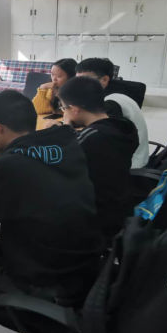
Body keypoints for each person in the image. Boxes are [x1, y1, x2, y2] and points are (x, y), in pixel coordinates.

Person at [0, 90, 103, 333]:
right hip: (86, 258)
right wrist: (8, 154)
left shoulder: (10, 166)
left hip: (50, 274)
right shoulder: (66, 142)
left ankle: (50, 326)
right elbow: (34, 170)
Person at [58, 76, 140, 240]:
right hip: (117, 205)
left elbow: (60, 159)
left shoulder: (92, 138)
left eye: (64, 108)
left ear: (74, 109)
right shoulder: (124, 127)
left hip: (95, 220)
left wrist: (65, 126)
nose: (63, 112)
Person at [77, 58, 150, 169]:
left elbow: (99, 139)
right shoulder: (116, 94)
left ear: (104, 80)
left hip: (130, 165)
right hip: (133, 156)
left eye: (84, 80)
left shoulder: (111, 103)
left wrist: (67, 126)